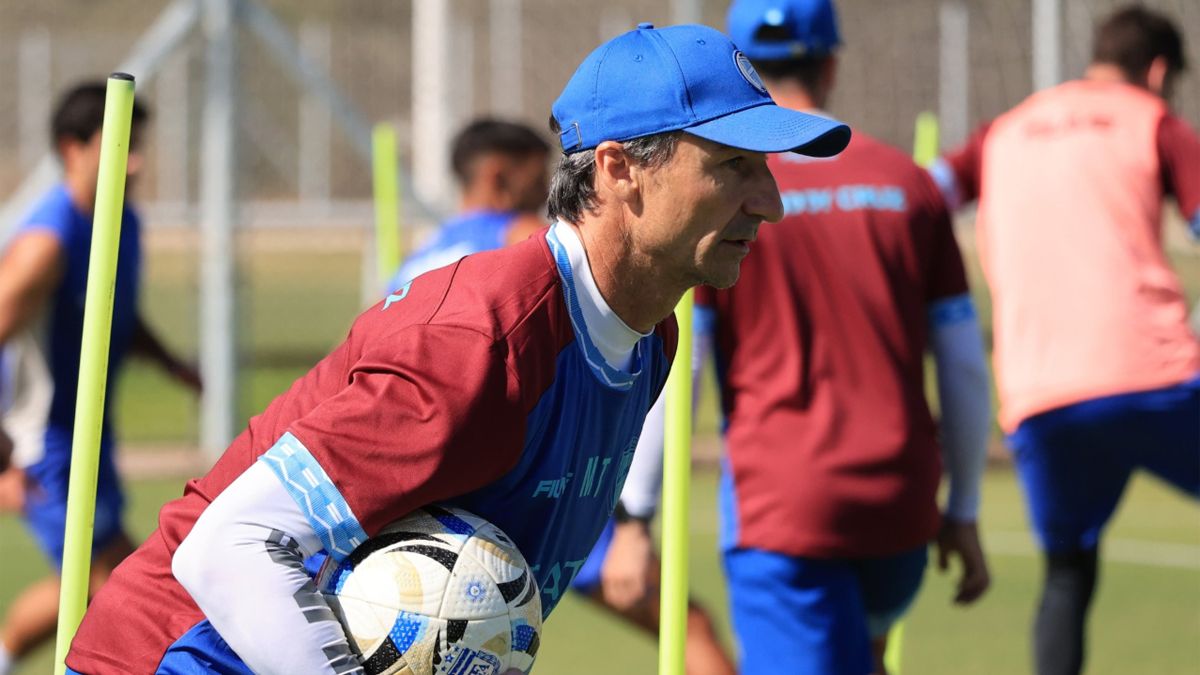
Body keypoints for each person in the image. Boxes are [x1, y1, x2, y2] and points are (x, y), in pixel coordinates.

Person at [64, 23, 850, 674]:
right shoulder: (481, 342)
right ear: (618, 171)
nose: (772, 203)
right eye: (733, 167)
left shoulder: (650, 341)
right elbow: (230, 547)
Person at [613, 2, 994, 673]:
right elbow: (963, 363)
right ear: (832, 61)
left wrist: (636, 516)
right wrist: (962, 506)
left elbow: (686, 365)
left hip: (784, 508)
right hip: (900, 506)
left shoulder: (724, 191)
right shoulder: (909, 184)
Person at [390, 117, 736, 674]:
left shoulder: (417, 258)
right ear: (500, 176)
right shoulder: (523, 239)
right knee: (687, 625)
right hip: (545, 480)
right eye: (537, 174)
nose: (552, 187)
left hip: (446, 498)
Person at [929, 6, 1200, 675]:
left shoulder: (1004, 129)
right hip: (1153, 378)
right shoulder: (1152, 120)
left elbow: (924, 191)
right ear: (1159, 71)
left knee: (1066, 575)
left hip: (1041, 397)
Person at [0, 82, 202, 674]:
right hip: (46, 448)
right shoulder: (47, 241)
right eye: (121, 146)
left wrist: (169, 363)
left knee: (95, 582)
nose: (136, 161)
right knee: (126, 589)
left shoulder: (123, 223)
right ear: (72, 148)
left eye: (138, 146)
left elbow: (111, 307)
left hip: (92, 440)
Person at [388, 118, 550, 291]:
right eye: (538, 180)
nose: (547, 192)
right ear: (498, 178)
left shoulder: (412, 265)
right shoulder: (522, 235)